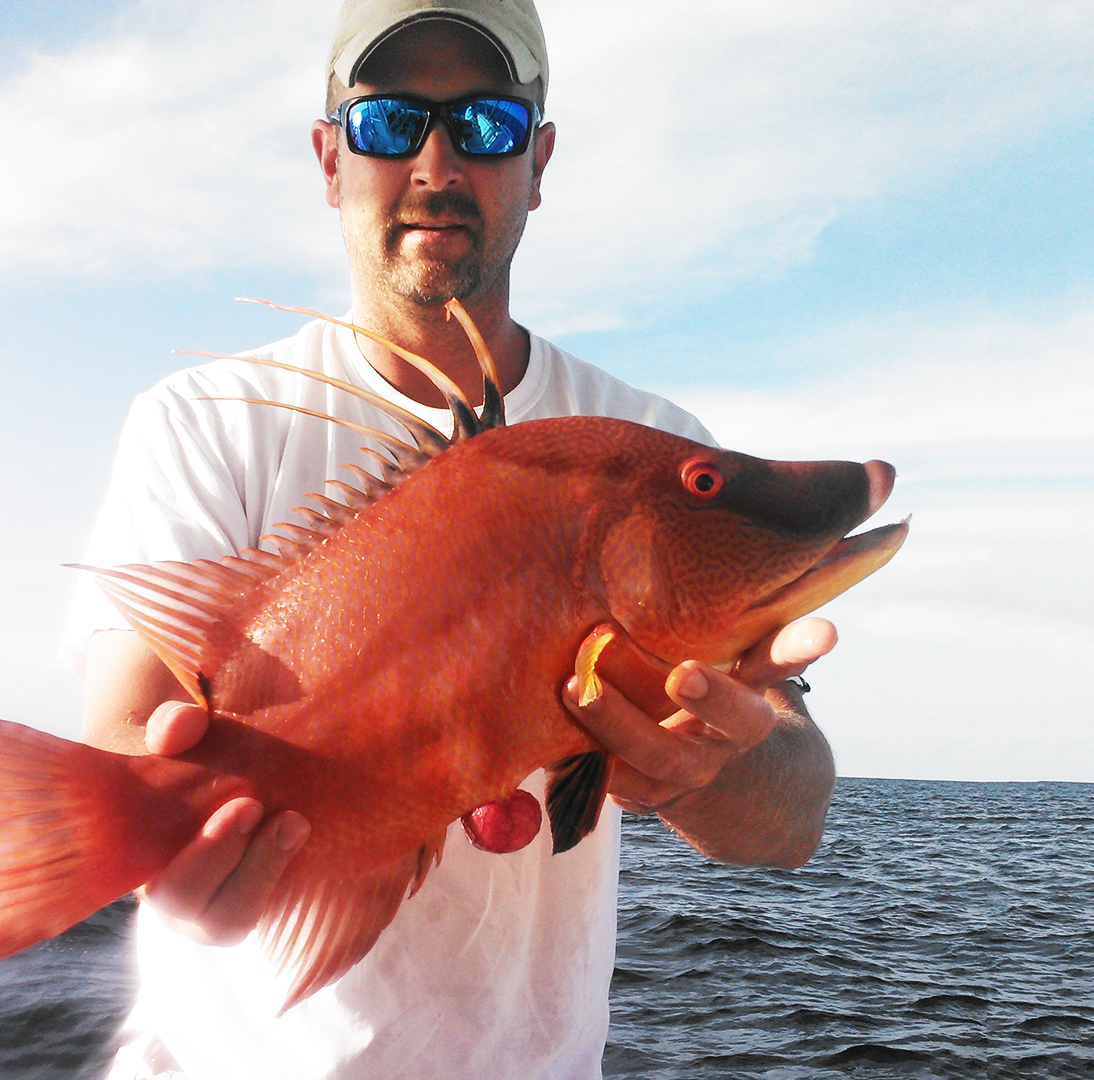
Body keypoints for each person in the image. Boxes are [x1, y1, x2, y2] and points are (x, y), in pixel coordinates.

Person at [62, 2, 836, 1076]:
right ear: (330, 159)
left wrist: (715, 767)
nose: (435, 163)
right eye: (388, 124)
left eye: (484, 125)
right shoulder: (202, 420)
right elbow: (124, 729)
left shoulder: (657, 458)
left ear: (540, 157)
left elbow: (792, 815)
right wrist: (153, 846)